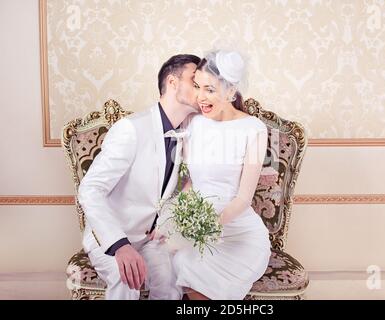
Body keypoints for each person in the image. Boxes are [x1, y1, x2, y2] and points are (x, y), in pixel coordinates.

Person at [77, 54, 201, 300]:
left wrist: (168, 221)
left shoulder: (189, 129)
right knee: (127, 280)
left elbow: (182, 187)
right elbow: (90, 190)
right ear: (173, 82)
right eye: (194, 82)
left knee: (170, 281)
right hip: (111, 237)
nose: (202, 90)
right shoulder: (131, 129)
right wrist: (120, 245)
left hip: (151, 237)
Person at [170, 50, 271, 300]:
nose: (200, 97)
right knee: (179, 259)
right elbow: (191, 182)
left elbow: (244, 198)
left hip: (240, 235)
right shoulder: (193, 123)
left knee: (193, 267)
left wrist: (211, 225)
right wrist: (177, 216)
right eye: (197, 86)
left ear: (230, 91)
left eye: (210, 89)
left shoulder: (254, 130)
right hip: (198, 228)